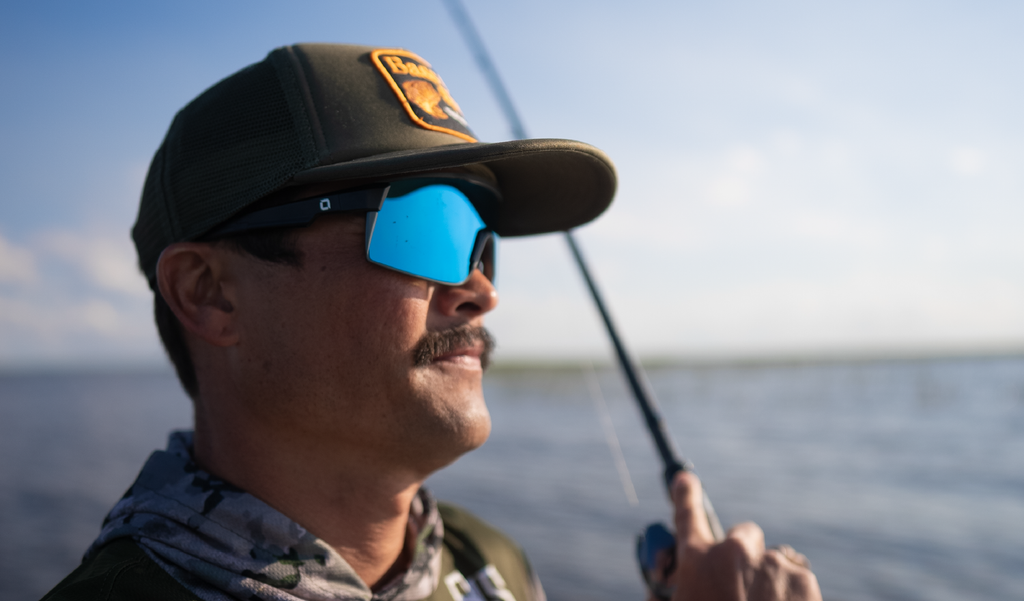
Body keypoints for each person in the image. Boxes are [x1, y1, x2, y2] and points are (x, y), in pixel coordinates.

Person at [42, 43, 821, 601]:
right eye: (431, 226)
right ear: (211, 293)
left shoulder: (491, 563)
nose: (481, 290)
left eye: (485, 239)